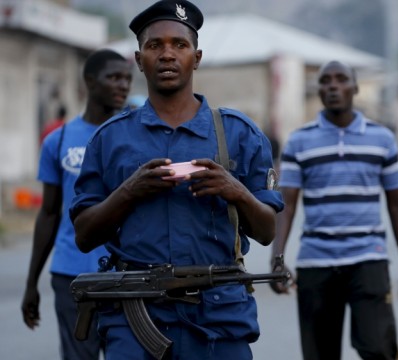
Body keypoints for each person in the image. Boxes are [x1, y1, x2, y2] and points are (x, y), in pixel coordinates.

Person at [69, 1, 283, 359]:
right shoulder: (110, 140)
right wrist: (129, 191)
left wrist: (236, 191)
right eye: (155, 46)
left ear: (196, 57)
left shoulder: (238, 134)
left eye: (179, 45)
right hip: (135, 319)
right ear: (139, 60)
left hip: (220, 318)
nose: (167, 54)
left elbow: (266, 231)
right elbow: (85, 235)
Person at [270, 60, 398, 360]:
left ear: (355, 87)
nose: (333, 86)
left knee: (379, 348)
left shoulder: (382, 139)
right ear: (319, 89)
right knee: (320, 354)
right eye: (326, 81)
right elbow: (286, 204)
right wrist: (277, 257)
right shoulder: (299, 142)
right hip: (316, 264)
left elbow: (397, 203)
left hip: (369, 259)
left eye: (341, 80)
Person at [21, 49, 132, 359]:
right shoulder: (59, 141)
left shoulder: (137, 137)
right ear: (89, 82)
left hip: (127, 275)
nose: (123, 85)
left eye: (127, 79)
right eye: (114, 77)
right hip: (72, 277)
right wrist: (32, 283)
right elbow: (48, 213)